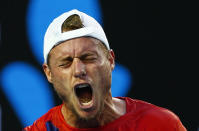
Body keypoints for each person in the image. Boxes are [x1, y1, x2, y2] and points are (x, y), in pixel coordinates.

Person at [24, 9, 187, 131]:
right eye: (66, 62)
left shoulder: (161, 125)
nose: (78, 70)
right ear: (48, 73)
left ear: (110, 60)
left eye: (88, 58)